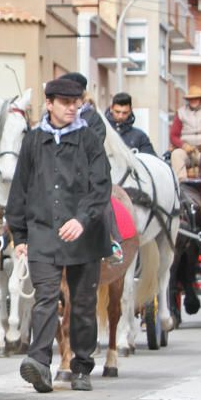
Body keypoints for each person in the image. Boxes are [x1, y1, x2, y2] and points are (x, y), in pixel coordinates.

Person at [7, 77, 112, 393]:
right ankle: (38, 362)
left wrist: (82, 219)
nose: (72, 107)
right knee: (46, 299)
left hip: (84, 235)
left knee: (82, 304)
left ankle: (81, 366)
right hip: (43, 233)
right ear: (49, 104)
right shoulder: (33, 141)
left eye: (76, 102)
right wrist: (20, 235)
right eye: (65, 102)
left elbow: (101, 186)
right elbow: (20, 190)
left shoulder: (89, 139)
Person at [60, 72, 122, 264]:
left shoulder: (93, 118)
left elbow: (92, 148)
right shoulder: (56, 116)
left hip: (88, 174)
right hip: (58, 171)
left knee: (101, 201)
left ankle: (112, 242)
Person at [169, 86, 201, 181]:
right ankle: (181, 183)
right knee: (176, 154)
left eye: (196, 98)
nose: (193, 101)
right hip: (187, 150)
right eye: (191, 99)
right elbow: (173, 136)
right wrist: (183, 145)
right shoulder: (181, 113)